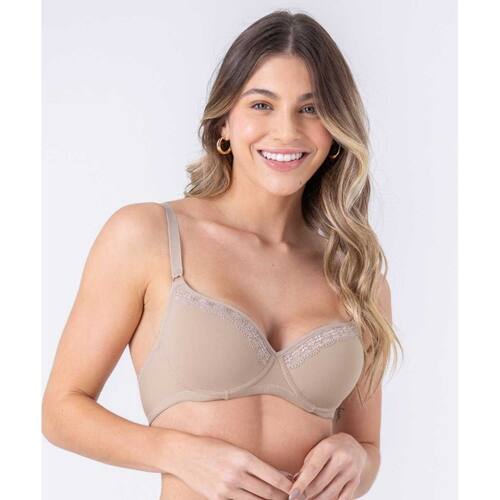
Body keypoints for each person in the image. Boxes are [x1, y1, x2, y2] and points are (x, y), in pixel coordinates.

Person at [42, 9, 402, 500]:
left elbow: (367, 446)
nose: (286, 131)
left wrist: (357, 458)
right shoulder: (147, 237)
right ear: (223, 124)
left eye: (311, 109)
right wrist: (178, 453)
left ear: (336, 133)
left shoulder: (357, 277)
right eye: (262, 105)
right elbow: (61, 410)